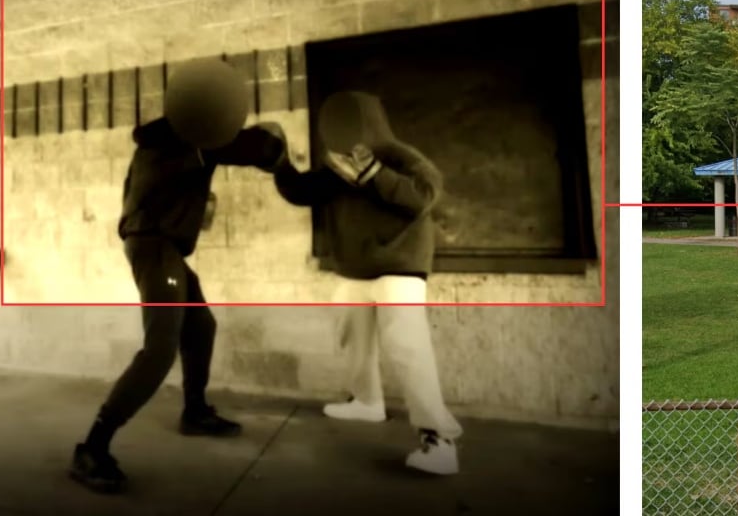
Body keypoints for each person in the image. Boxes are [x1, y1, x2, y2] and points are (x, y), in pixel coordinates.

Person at [70, 59, 288, 494]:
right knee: (159, 348)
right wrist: (273, 141)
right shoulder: (184, 145)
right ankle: (92, 446)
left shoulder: (176, 142)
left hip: (163, 248)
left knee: (201, 326)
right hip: (154, 248)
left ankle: (194, 412)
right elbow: (252, 150)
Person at [272, 90, 463, 476]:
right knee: (351, 336)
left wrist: (375, 174)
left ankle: (438, 439)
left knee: (408, 347)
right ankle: (367, 402)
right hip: (354, 271)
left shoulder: (403, 157)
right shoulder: (338, 168)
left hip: (401, 268)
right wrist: (278, 160)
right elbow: (302, 191)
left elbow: (424, 196)